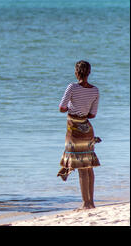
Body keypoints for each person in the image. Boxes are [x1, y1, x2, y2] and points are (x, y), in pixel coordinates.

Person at [58, 60, 100, 210]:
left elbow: (62, 108)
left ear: (76, 73)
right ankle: (91, 202)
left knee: (81, 167)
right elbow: (92, 114)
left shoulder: (72, 87)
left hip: (74, 129)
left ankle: (85, 203)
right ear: (89, 73)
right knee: (88, 166)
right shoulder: (95, 90)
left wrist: (71, 106)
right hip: (87, 129)